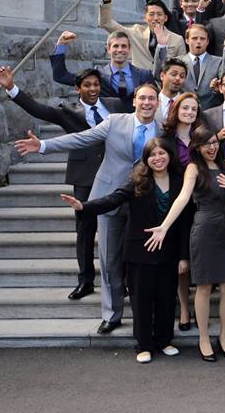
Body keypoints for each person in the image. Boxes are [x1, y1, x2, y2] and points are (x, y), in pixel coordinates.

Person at [14, 82, 161, 335]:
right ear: (134, 101)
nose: (147, 103)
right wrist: (44, 146)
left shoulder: (163, 128)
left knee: (144, 261)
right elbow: (81, 138)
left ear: (158, 103)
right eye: (143, 98)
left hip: (145, 202)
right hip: (109, 196)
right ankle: (112, 314)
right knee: (109, 259)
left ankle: (149, 314)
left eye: (152, 99)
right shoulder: (114, 121)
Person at [0, 65, 126, 301]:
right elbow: (38, 109)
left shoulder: (115, 105)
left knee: (120, 228)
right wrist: (12, 88)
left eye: (96, 84)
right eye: (87, 85)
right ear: (78, 89)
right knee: (85, 230)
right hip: (85, 177)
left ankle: (121, 280)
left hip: (116, 174)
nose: (93, 89)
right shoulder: (68, 111)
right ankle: (85, 281)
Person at [59, 138, 184, 364]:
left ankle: (164, 340)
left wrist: (183, 256)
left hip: (169, 249)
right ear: (146, 159)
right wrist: (84, 206)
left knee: (166, 298)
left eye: (162, 153)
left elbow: (185, 220)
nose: (158, 158)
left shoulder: (179, 180)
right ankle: (143, 345)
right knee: (141, 300)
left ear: (169, 155)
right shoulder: (137, 181)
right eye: (152, 155)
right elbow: (112, 200)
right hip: (139, 250)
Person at [143, 126, 225, 362]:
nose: (211, 147)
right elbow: (183, 198)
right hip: (204, 230)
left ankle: (224, 336)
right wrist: (164, 226)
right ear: (196, 147)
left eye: (214, 142)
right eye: (206, 143)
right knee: (204, 287)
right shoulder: (194, 168)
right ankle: (204, 338)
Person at [158, 91, 202, 331]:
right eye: (185, 108)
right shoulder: (165, 139)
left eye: (193, 109)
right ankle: (185, 307)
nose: (189, 112)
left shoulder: (201, 136)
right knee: (180, 259)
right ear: (176, 110)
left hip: (201, 203)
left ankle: (201, 303)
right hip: (175, 203)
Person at [99, 0, 186, 71]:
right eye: (151, 14)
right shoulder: (135, 33)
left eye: (159, 14)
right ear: (145, 18)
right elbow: (106, 23)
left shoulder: (177, 39)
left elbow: (181, 67)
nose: (156, 18)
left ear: (166, 18)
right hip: (140, 78)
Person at [50, 29, 155, 101]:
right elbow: (61, 76)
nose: (120, 50)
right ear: (108, 49)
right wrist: (61, 45)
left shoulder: (144, 75)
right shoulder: (96, 75)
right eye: (115, 46)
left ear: (129, 49)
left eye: (123, 46)